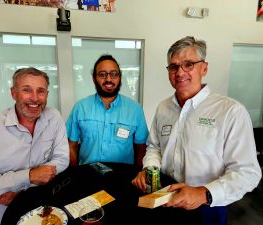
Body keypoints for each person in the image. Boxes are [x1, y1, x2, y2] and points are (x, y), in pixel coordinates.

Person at [131, 36, 262, 225]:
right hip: (165, 199)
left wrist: (204, 194)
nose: (180, 72)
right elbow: (154, 147)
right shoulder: (163, 108)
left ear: (204, 68)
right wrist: (150, 169)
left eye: (188, 64)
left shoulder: (230, 111)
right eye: (174, 67)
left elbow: (247, 172)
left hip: (207, 208)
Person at [0, 67, 69, 225]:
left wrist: (21, 191)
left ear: (47, 94)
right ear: (13, 93)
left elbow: (62, 159)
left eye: (41, 91)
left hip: (39, 210)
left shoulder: (54, 117)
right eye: (27, 90)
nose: (35, 98)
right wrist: (28, 176)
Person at [66, 54, 149, 166]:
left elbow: (141, 148)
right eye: (102, 75)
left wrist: (139, 174)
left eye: (114, 74)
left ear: (120, 77)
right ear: (94, 79)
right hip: (87, 175)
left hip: (123, 177)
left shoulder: (135, 110)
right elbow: (71, 146)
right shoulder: (80, 108)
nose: (108, 79)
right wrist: (73, 175)